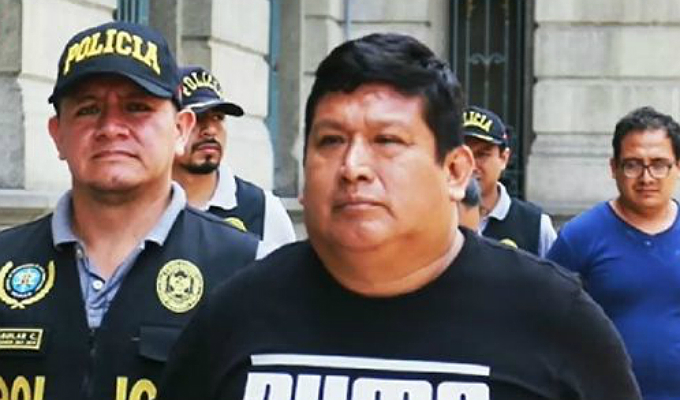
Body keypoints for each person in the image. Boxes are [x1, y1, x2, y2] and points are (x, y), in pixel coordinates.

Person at [158, 33, 640, 400]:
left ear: (455, 171)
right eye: (331, 141)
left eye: (387, 141)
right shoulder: (235, 314)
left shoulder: (554, 319)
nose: (353, 167)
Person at [0, 22, 259, 399]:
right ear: (58, 134)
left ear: (181, 129)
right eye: (88, 109)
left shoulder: (245, 269)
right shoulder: (5, 260)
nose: (110, 127)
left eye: (137, 107)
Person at [547, 106, 680, 400]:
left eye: (659, 164)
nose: (647, 177)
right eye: (633, 165)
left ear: (678, 166)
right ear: (613, 167)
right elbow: (544, 320)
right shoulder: (579, 237)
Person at [173, 65, 296, 250]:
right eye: (197, 118)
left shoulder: (263, 210)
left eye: (218, 117)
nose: (210, 130)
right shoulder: (142, 206)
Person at [463, 106, 556, 256]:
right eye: (462, 154)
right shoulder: (433, 220)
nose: (472, 165)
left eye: (482, 154)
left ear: (504, 158)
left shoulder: (535, 226)